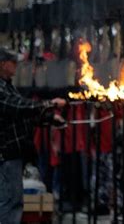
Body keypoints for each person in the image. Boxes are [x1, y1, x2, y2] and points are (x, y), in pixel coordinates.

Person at [0, 48, 66, 223]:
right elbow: (18, 106)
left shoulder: (7, 85)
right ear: (2, 64)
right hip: (5, 155)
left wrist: (49, 118)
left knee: (13, 201)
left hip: (13, 154)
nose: (16, 66)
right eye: (12, 62)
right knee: (9, 202)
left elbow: (24, 115)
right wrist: (49, 104)